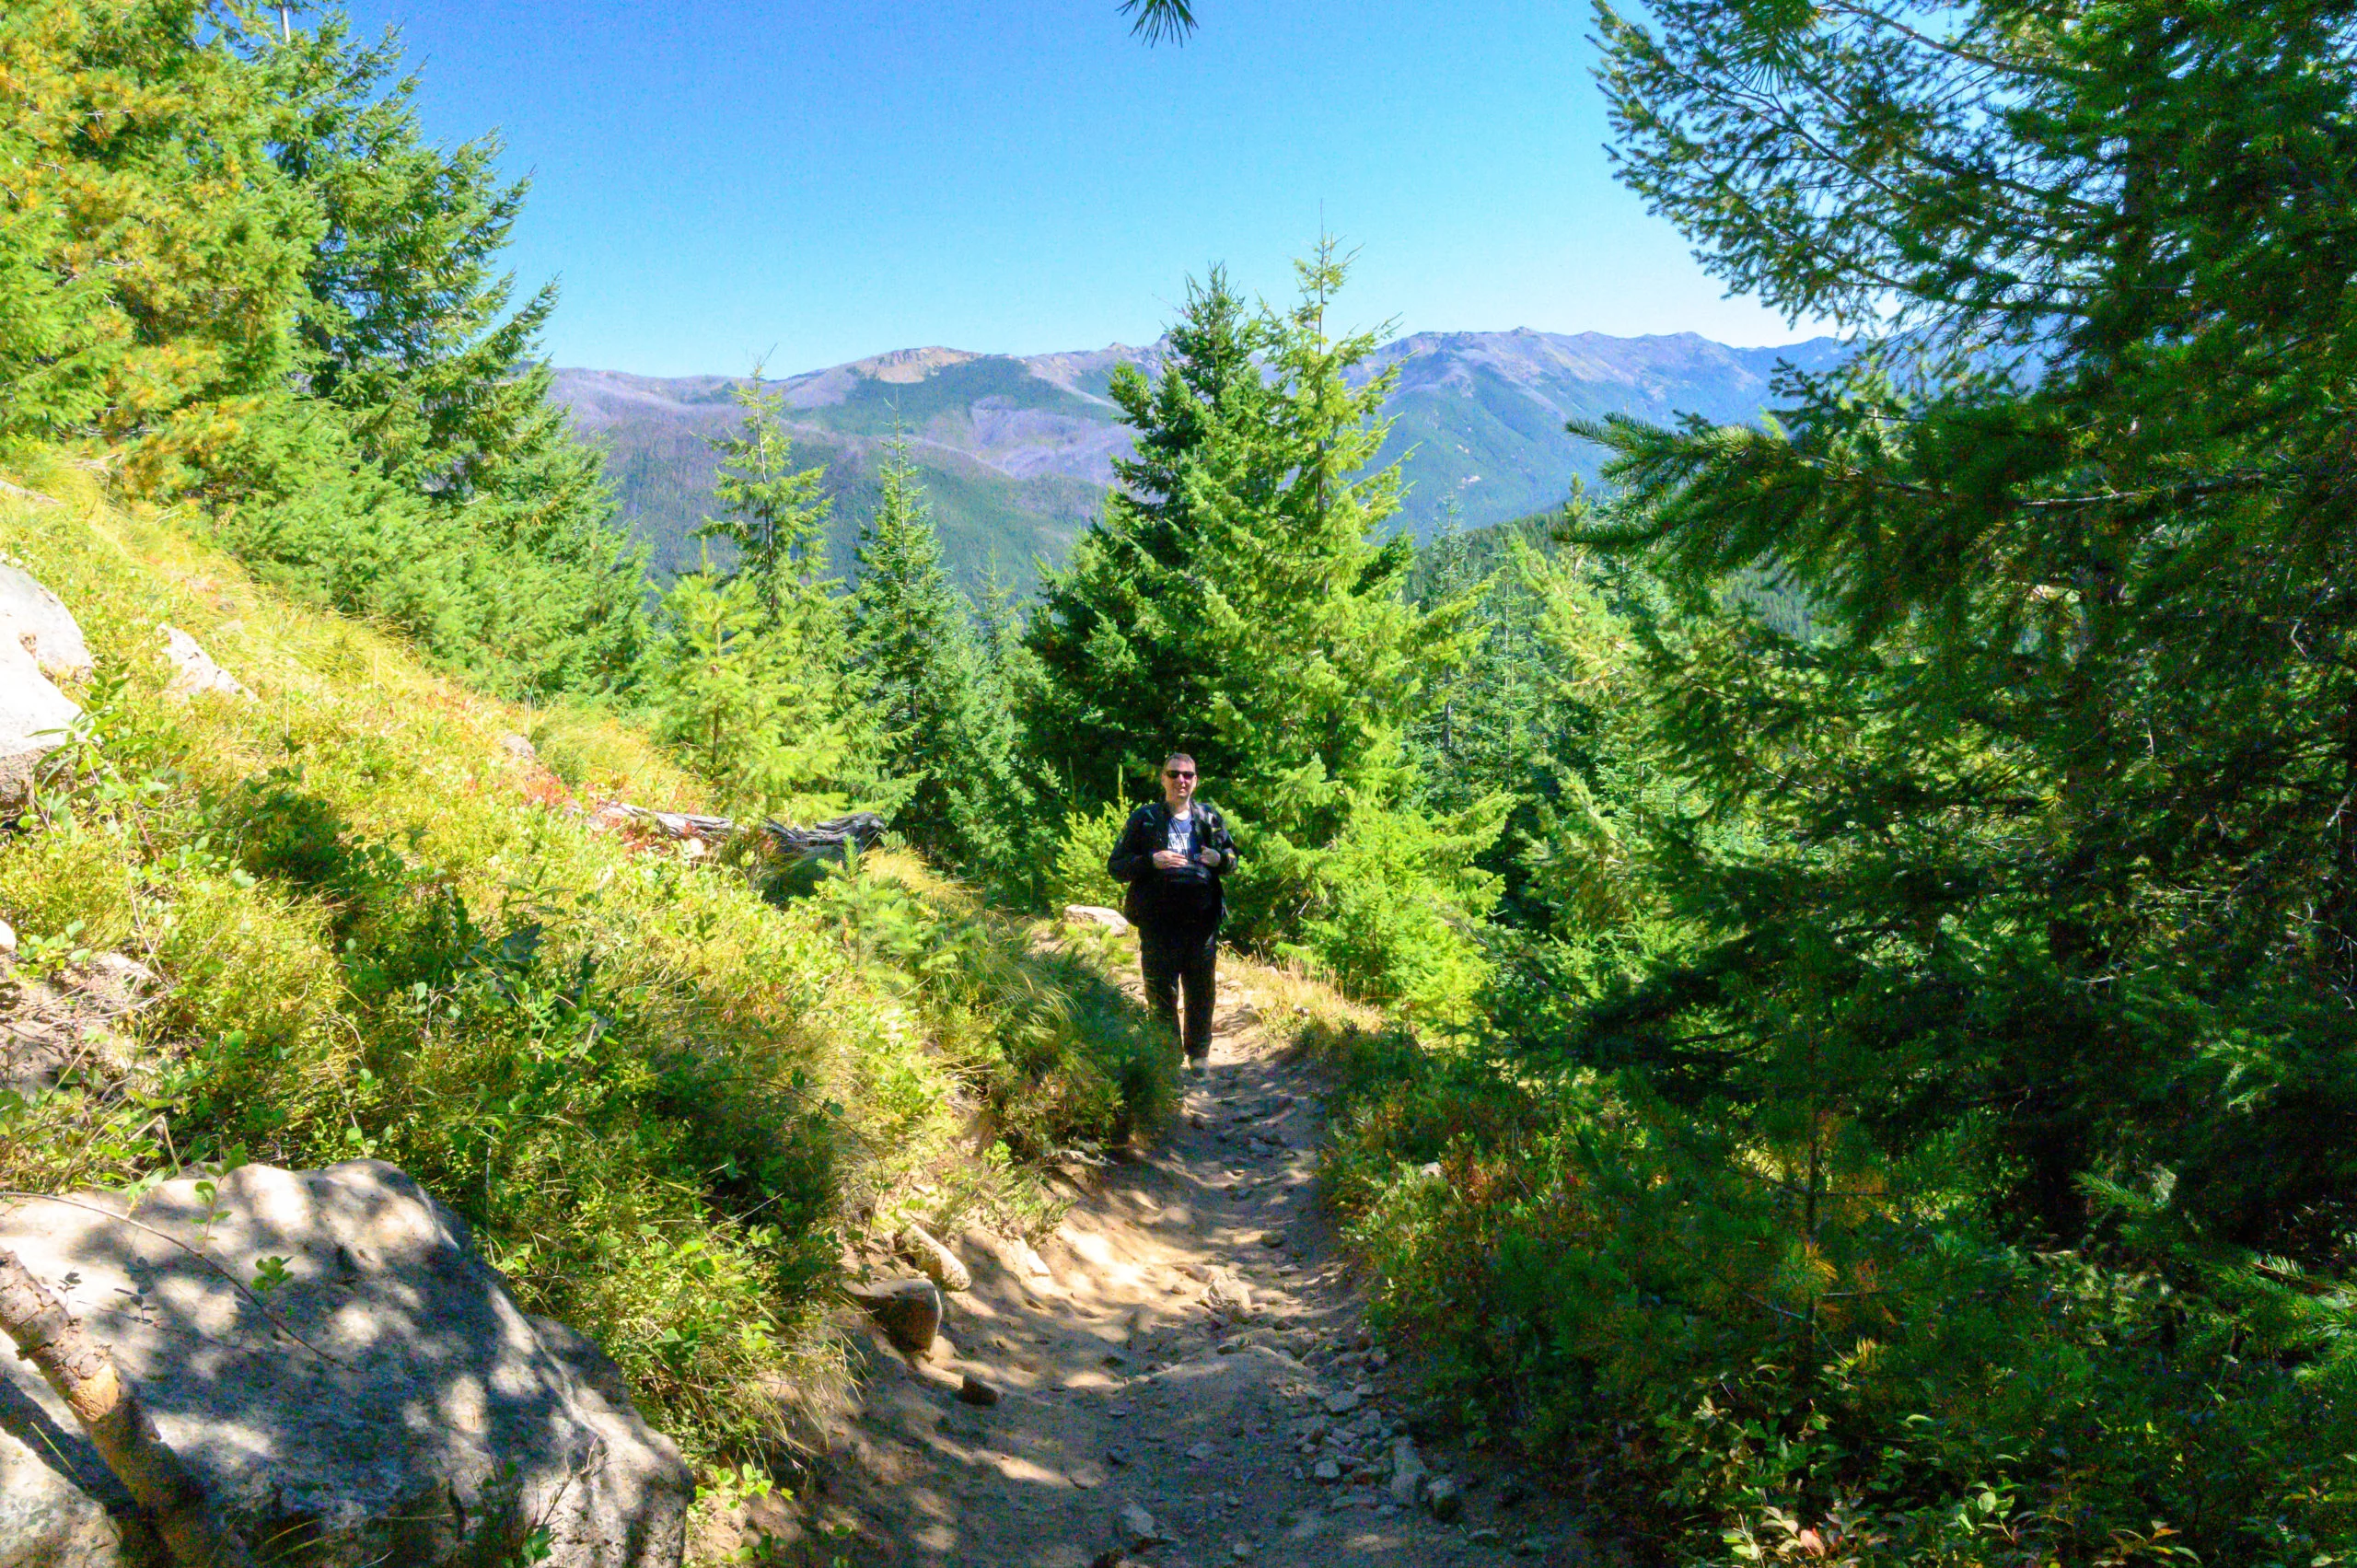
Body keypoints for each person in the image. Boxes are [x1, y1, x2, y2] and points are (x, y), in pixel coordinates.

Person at [1107, 752, 1237, 1071]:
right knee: (1161, 992)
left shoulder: (1208, 818)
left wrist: (1217, 859)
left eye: (1188, 775)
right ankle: (1167, 1061)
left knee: (1201, 992)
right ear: (1163, 778)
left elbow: (1232, 860)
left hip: (1201, 923)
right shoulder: (1145, 819)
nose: (1182, 780)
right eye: (1174, 774)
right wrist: (1151, 861)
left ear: (1196, 781)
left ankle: (1199, 1056)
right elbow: (1116, 867)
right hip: (1158, 923)